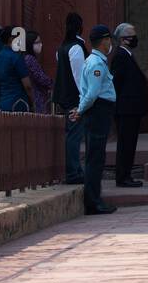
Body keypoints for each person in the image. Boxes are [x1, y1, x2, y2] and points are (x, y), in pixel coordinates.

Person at [69, 25, 118, 215]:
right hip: (98, 111)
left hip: (97, 111)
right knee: (95, 158)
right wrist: (80, 110)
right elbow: (92, 94)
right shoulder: (97, 64)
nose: (110, 43)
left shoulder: (94, 61)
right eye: (109, 40)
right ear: (104, 41)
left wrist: (80, 109)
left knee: (95, 156)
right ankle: (93, 201)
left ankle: (95, 199)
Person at [110, 23, 148, 188]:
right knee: (126, 143)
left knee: (130, 143)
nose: (135, 38)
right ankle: (123, 176)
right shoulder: (120, 56)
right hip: (126, 108)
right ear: (123, 39)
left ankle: (127, 174)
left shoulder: (128, 55)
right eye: (132, 36)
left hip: (132, 108)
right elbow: (117, 83)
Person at [53, 13, 88, 184]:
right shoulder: (76, 47)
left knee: (70, 135)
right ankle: (73, 172)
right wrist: (84, 99)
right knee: (74, 135)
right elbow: (78, 76)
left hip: (64, 98)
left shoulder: (62, 48)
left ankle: (73, 170)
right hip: (74, 99)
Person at [0, 26, 34, 112]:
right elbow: (27, 86)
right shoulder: (16, 57)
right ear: (11, 39)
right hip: (18, 103)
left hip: (3, 102)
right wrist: (32, 102)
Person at [24, 32, 53, 114]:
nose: (40, 45)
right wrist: (52, 83)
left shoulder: (28, 58)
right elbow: (41, 78)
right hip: (37, 97)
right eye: (37, 42)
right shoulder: (30, 59)